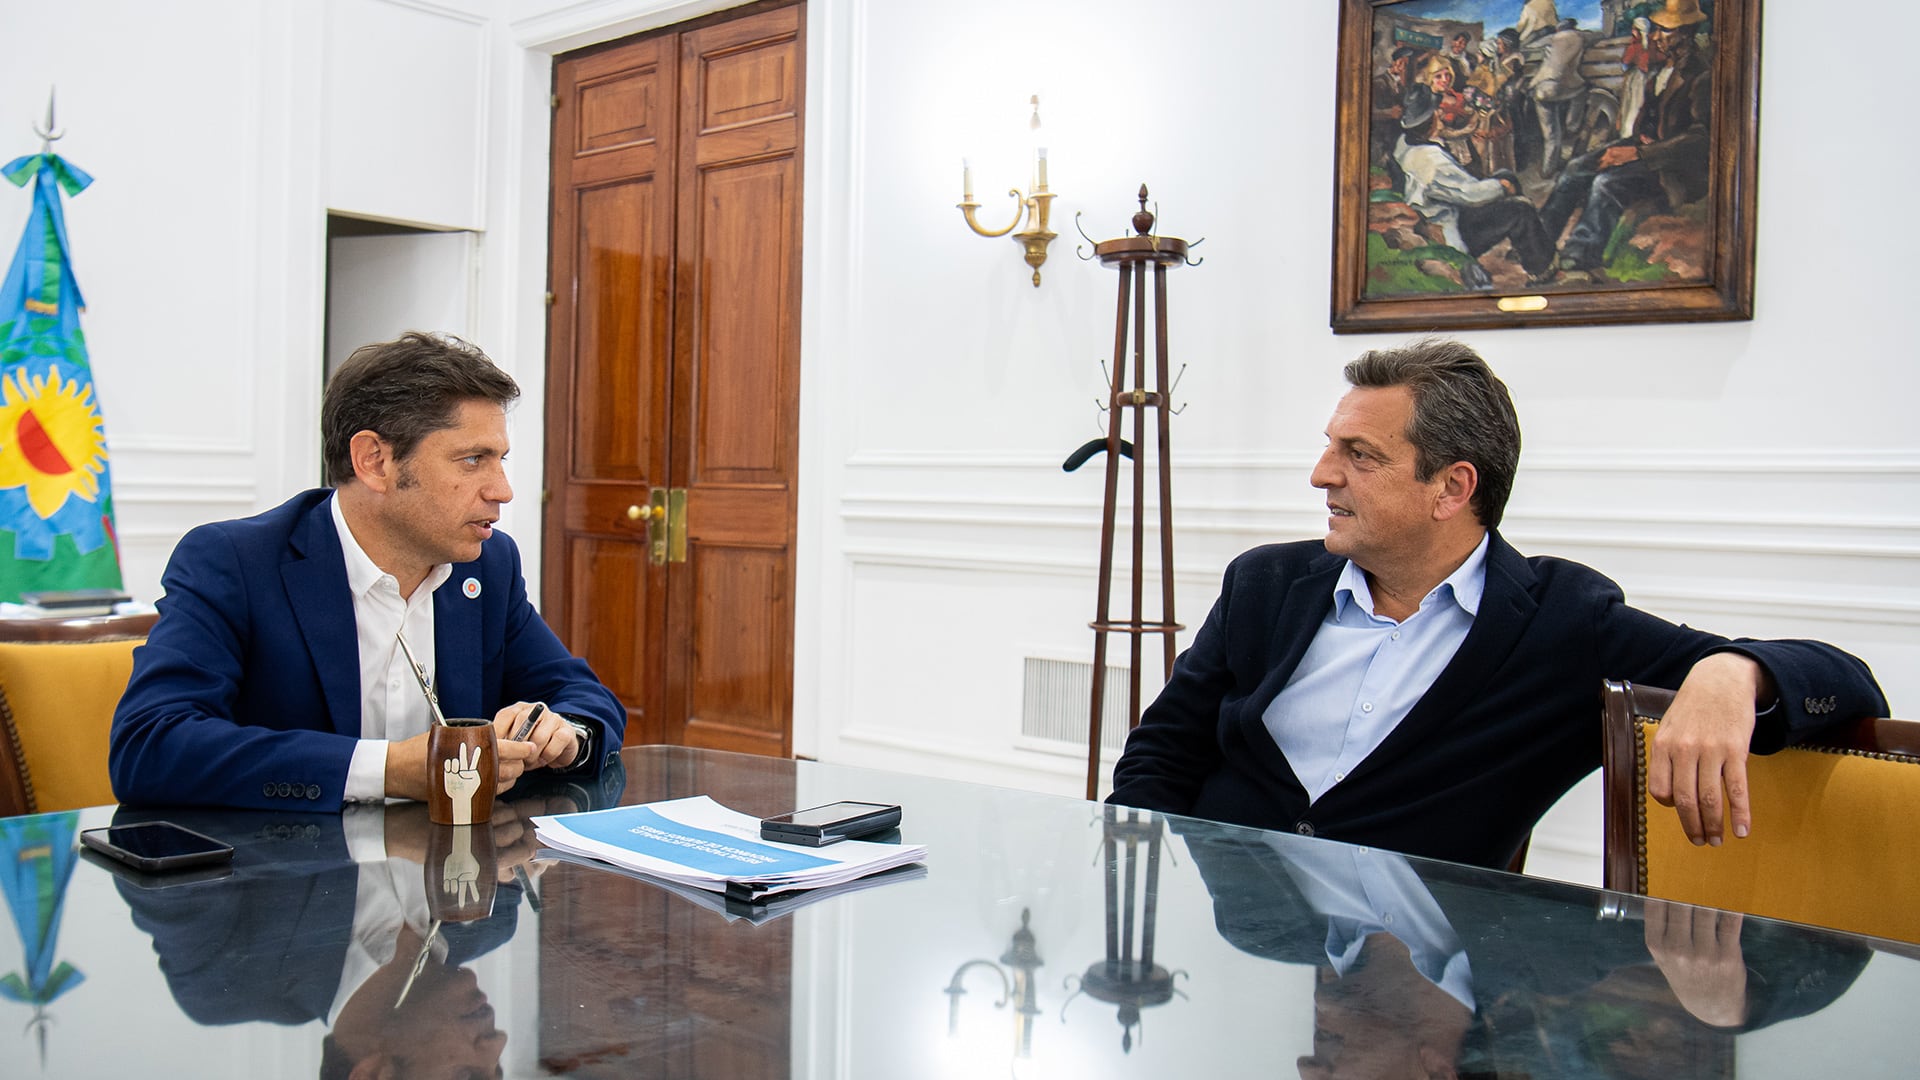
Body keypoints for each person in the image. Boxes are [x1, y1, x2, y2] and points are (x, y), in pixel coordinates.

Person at [1107, 339, 1887, 870]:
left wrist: (1730, 672)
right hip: (1230, 951)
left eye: (1359, 455)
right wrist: (1146, 887)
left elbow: (1846, 679)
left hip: (1419, 1002)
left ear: (1453, 486)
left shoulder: (1561, 622)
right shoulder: (1265, 584)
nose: (1320, 474)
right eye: (1330, 445)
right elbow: (1163, 754)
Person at [110, 332, 626, 810]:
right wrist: (388, 769)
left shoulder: (490, 566)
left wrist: (564, 734)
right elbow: (150, 745)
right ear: (375, 461)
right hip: (286, 888)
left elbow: (584, 697)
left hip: (452, 891)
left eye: (501, 460)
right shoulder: (235, 562)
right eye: (473, 460)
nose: (502, 490)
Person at [1539, 3, 1711, 277]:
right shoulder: (1660, 66)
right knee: (1576, 168)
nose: (1654, 36)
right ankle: (1539, 241)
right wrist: (1632, 145)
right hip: (1645, 147)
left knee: (1606, 183)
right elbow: (1651, 118)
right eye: (1655, 29)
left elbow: (1701, 139)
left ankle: (1581, 251)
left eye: (1663, 30)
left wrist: (1639, 154)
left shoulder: (1700, 75)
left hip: (1671, 167)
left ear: (1685, 33)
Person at [1393, 87, 1556, 289]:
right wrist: (1502, 188)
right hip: (1447, 228)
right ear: (1432, 117)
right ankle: (1542, 269)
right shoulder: (1431, 162)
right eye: (1438, 110)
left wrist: (1500, 182)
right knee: (1520, 208)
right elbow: (1470, 194)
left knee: (1505, 176)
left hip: (1439, 211)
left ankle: (1525, 245)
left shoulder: (1404, 144)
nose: (1441, 113)